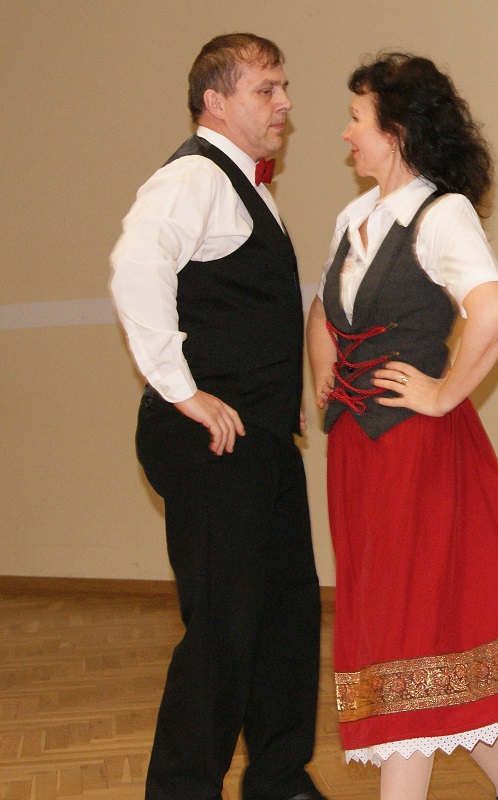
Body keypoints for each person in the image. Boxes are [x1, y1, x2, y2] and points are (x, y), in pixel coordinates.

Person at [305, 53, 498, 800]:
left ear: (398, 130)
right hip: (359, 451)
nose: (346, 132)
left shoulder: (442, 214)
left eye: (357, 117)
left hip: (418, 452)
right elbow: (323, 308)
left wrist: (444, 394)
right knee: (413, 628)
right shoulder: (354, 217)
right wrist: (325, 375)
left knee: (405, 633)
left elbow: (496, 310)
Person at [109, 33, 325, 800]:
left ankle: (278, 779)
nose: (285, 103)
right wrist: (182, 389)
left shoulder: (248, 188)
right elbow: (135, 268)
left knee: (287, 612)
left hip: (259, 437)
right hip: (211, 438)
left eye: (284, 86)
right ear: (216, 101)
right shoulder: (193, 178)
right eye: (267, 88)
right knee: (225, 628)